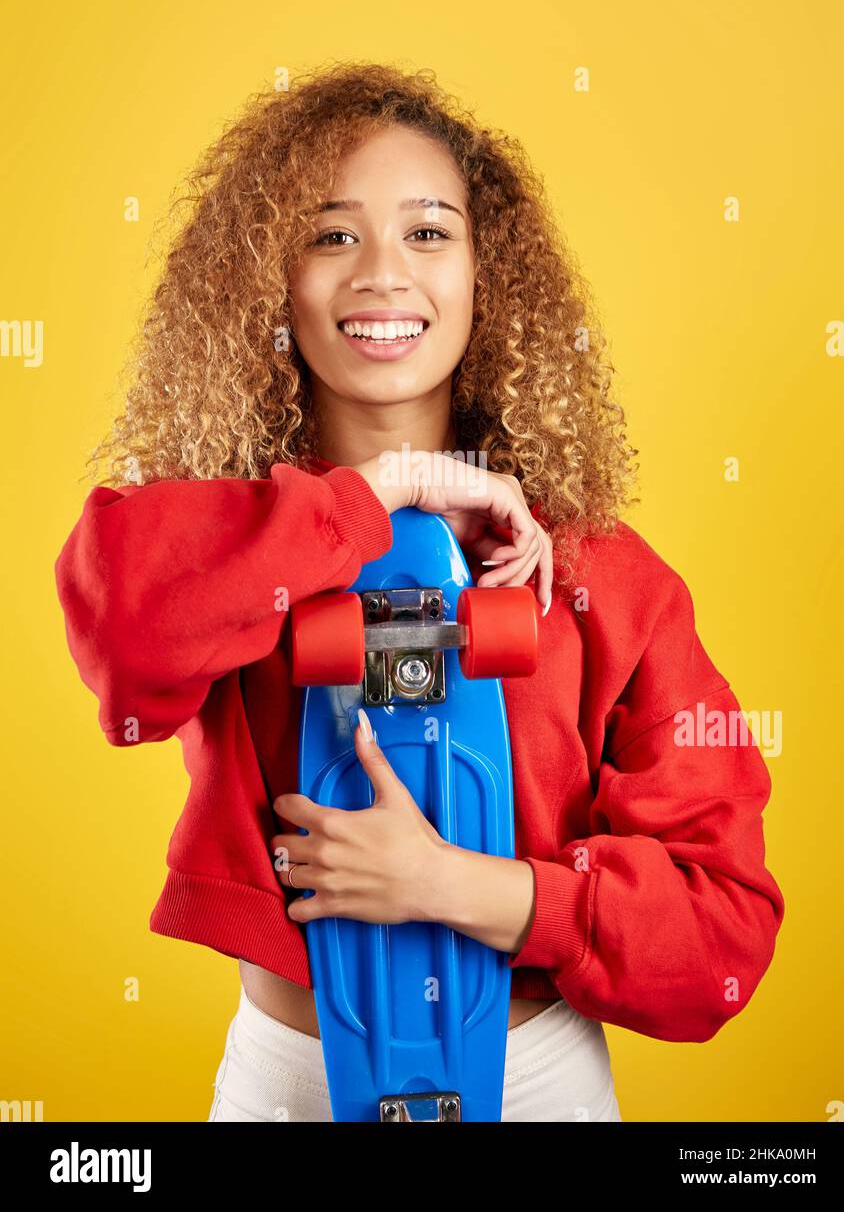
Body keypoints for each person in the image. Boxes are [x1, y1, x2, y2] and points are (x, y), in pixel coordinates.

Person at [55, 62, 784, 1123]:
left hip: (530, 1085)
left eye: (429, 233)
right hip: (289, 1083)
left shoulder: (600, 578)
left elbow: (722, 933)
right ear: (269, 281)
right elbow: (123, 641)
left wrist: (451, 884)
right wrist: (385, 488)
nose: (381, 274)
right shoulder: (229, 544)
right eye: (330, 233)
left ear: (490, 280)